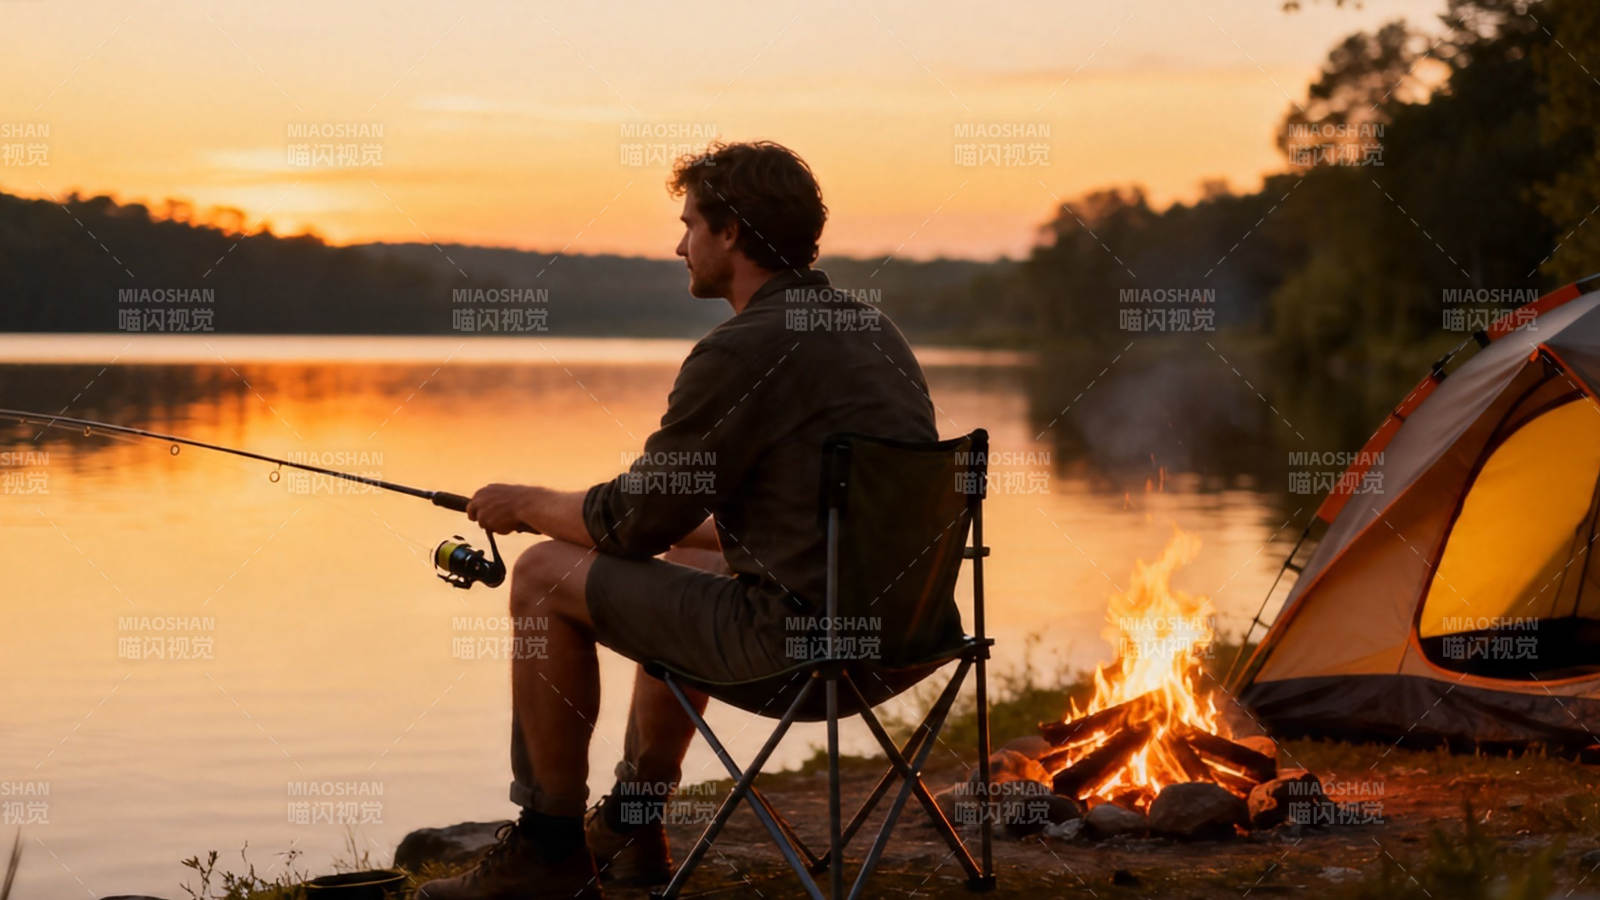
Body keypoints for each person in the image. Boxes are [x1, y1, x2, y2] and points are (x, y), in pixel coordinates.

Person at [418, 140, 936, 899]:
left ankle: (547, 850)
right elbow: (786, 525)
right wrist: (586, 515)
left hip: (799, 654)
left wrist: (527, 505)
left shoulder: (740, 350)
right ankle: (633, 824)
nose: (679, 243)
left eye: (690, 223)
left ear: (730, 233)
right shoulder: (874, 335)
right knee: (692, 566)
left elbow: (633, 523)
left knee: (537, 575)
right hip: (907, 641)